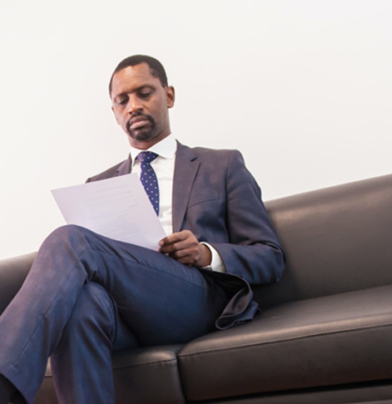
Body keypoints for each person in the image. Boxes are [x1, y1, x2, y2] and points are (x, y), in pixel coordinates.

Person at [0, 55, 285, 404]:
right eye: (122, 100)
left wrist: (205, 253)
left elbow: (270, 257)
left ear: (169, 95)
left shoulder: (221, 164)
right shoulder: (98, 185)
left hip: (195, 299)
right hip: (125, 310)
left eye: (144, 93)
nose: (133, 106)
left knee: (70, 239)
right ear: (115, 113)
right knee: (84, 306)